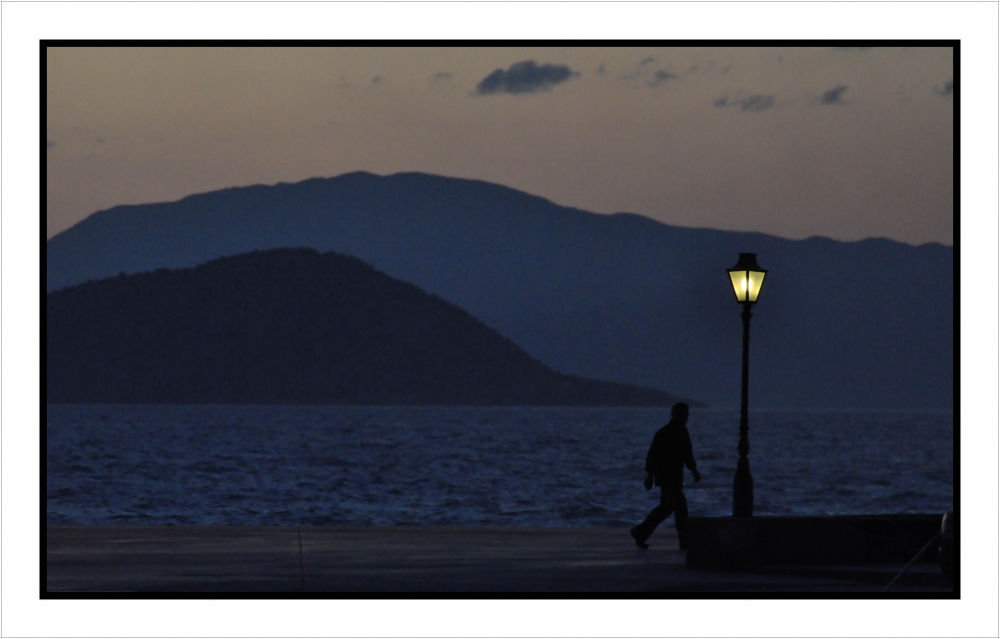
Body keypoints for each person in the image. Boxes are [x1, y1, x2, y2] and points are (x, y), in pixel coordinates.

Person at [630, 402, 701, 550]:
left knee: (667, 508)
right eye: (685, 415)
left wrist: (693, 470)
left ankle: (641, 532)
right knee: (679, 509)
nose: (687, 418)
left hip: (674, 477)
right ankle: (684, 542)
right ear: (677, 415)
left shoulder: (682, 432)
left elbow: (687, 454)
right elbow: (653, 455)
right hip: (666, 477)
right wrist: (650, 476)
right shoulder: (664, 433)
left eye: (687, 415)